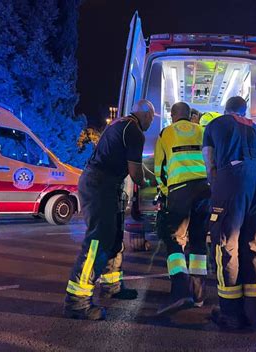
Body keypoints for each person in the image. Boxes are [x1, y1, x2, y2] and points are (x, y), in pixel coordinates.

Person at [64, 99, 156, 320]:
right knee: (98, 241)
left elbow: (133, 165)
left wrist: (154, 178)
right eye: (151, 119)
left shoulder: (118, 124)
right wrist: (149, 185)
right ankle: (77, 302)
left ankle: (112, 286)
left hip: (101, 183)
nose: (151, 123)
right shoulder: (135, 131)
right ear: (145, 115)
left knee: (114, 238)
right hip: (100, 186)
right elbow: (135, 174)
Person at [203, 96, 256, 333]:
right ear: (244, 111)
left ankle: (230, 314)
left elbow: (209, 163)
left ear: (225, 110)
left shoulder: (215, 125)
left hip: (232, 179)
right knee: (255, 245)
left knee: (226, 245)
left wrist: (217, 189)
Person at [154, 102, 210, 315]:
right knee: (198, 241)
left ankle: (180, 290)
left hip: (179, 191)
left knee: (174, 239)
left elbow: (160, 169)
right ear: (190, 115)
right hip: (204, 190)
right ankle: (199, 295)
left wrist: (166, 192)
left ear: (172, 115)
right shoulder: (202, 130)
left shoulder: (165, 133)